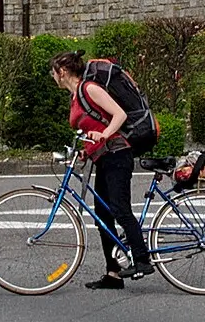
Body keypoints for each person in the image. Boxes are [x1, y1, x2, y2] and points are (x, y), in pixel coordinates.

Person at [49, 48, 156, 288]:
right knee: (103, 215)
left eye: (53, 72)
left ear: (63, 71)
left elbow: (119, 115)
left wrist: (104, 135)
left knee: (119, 208)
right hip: (103, 158)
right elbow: (90, 129)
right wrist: (83, 153)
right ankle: (113, 274)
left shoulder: (89, 89)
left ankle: (142, 259)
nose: (52, 76)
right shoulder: (76, 95)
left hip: (118, 154)